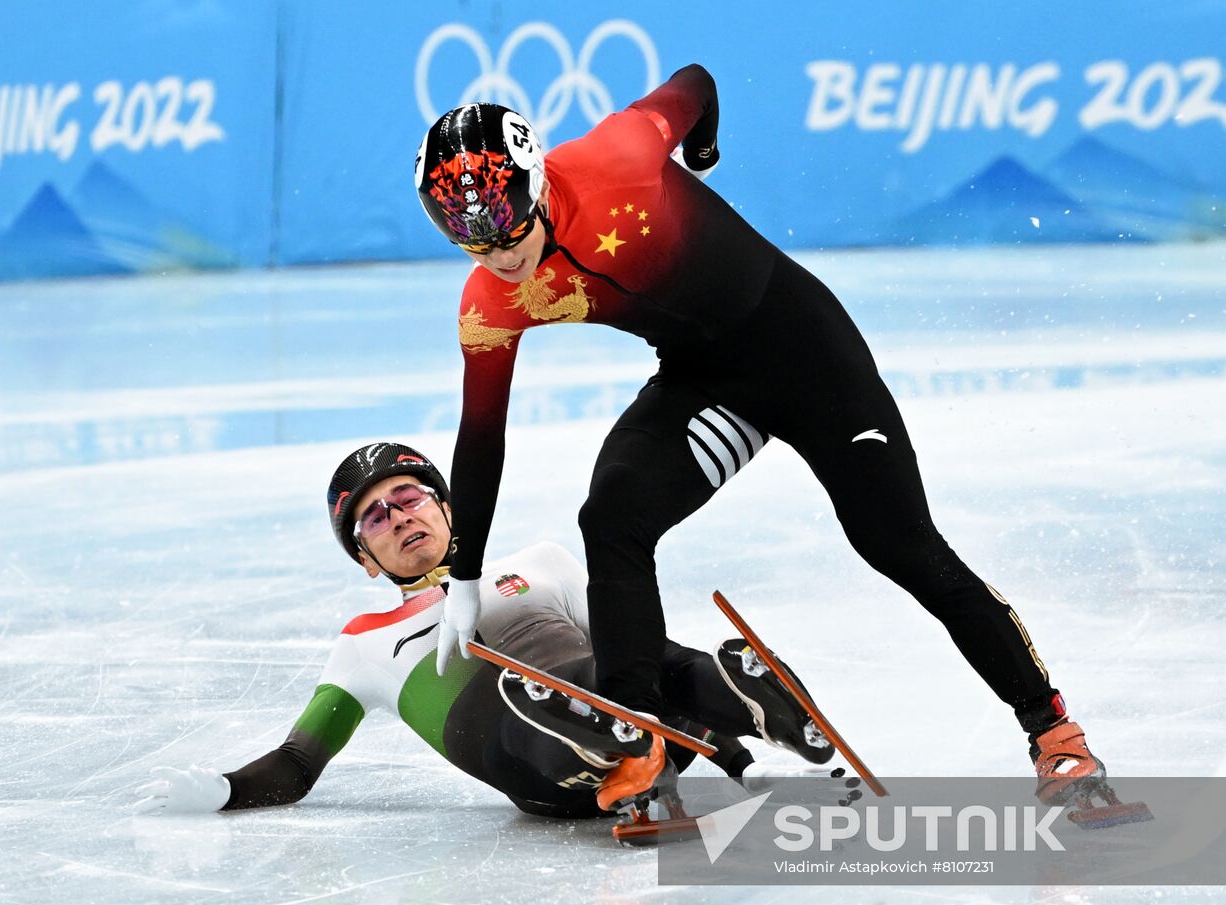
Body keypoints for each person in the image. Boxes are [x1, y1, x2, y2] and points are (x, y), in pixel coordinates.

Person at [415, 65, 1108, 810]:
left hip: (810, 359)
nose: (495, 249)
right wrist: (463, 574)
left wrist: (702, 150)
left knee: (901, 546)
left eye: (504, 216)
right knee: (612, 515)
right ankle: (637, 734)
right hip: (706, 382)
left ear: (534, 180)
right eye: (464, 234)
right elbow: (482, 433)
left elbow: (697, 83)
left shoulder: (619, 157)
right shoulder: (490, 300)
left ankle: (1053, 732)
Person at [134, 442, 834, 820]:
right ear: (364, 559)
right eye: (375, 518)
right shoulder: (360, 646)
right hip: (540, 777)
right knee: (517, 695)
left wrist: (728, 754)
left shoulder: (538, 563)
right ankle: (607, 740)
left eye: (408, 497)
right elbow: (297, 761)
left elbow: (654, 657)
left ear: (445, 506)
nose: (400, 517)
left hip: (643, 719)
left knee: (646, 661)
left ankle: (757, 717)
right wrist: (225, 788)